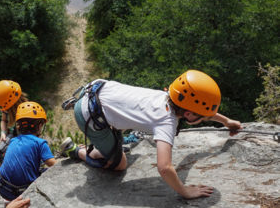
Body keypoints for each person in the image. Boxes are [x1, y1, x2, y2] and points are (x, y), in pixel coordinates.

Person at [60, 70, 242, 200]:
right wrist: (185, 191)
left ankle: (108, 142)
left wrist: (227, 122)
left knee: (120, 144)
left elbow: (199, 110)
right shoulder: (166, 121)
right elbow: (164, 168)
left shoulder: (169, 97)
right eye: (200, 117)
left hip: (96, 91)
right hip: (90, 114)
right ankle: (79, 152)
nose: (203, 119)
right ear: (188, 114)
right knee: (120, 164)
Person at [0, 101, 56, 201]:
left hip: (2, 187)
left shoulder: (13, 140)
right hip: (18, 193)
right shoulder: (40, 143)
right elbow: (53, 165)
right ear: (39, 126)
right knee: (46, 171)